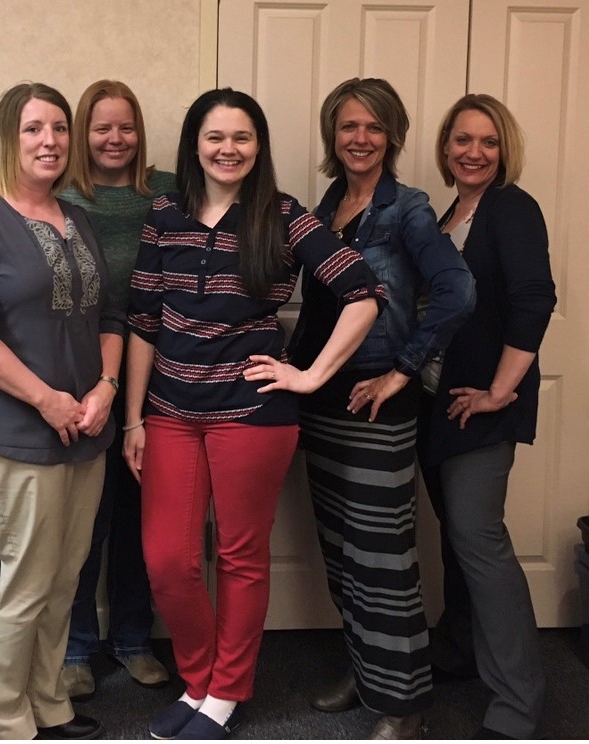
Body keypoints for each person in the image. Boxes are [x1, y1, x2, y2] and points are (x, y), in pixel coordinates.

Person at [123, 87, 386, 740]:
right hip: (170, 414)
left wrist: (310, 374)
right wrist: (133, 419)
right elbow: (143, 323)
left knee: (241, 556)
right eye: (215, 136)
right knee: (168, 560)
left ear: (258, 146)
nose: (228, 149)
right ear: (194, 145)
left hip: (253, 416)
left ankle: (224, 692)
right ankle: (199, 677)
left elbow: (364, 291)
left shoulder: (284, 215)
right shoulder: (164, 215)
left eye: (242, 137)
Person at [286, 78, 476, 739]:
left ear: (392, 135)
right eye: (347, 127)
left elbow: (457, 291)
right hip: (324, 398)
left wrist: (403, 370)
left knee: (383, 558)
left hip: (376, 407)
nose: (359, 138)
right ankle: (366, 671)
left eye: (372, 127)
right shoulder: (328, 205)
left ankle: (402, 701)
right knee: (341, 551)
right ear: (331, 137)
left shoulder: (408, 211)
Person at [0, 81, 124, 741]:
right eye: (33, 129)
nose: (49, 142)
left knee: (65, 578)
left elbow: (109, 318)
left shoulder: (80, 221)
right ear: (7, 139)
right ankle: (4, 721)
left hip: (87, 432)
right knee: (26, 581)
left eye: (58, 129)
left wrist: (104, 388)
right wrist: (47, 400)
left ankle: (49, 704)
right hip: (17, 433)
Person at [417, 94, 556, 739]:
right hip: (442, 405)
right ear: (446, 146)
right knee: (457, 538)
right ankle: (459, 648)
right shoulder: (451, 213)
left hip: (482, 407)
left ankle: (518, 704)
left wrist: (501, 391)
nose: (474, 152)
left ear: (505, 151)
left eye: (489, 142)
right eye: (462, 140)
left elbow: (533, 301)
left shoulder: (511, 209)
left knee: (479, 539)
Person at [58, 80, 175, 700]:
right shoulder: (58, 196)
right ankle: (76, 647)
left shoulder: (168, 192)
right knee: (84, 521)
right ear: (83, 133)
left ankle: (133, 639)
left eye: (125, 127)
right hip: (82, 381)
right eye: (101, 127)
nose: (115, 139)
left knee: (140, 518)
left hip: (160, 379)